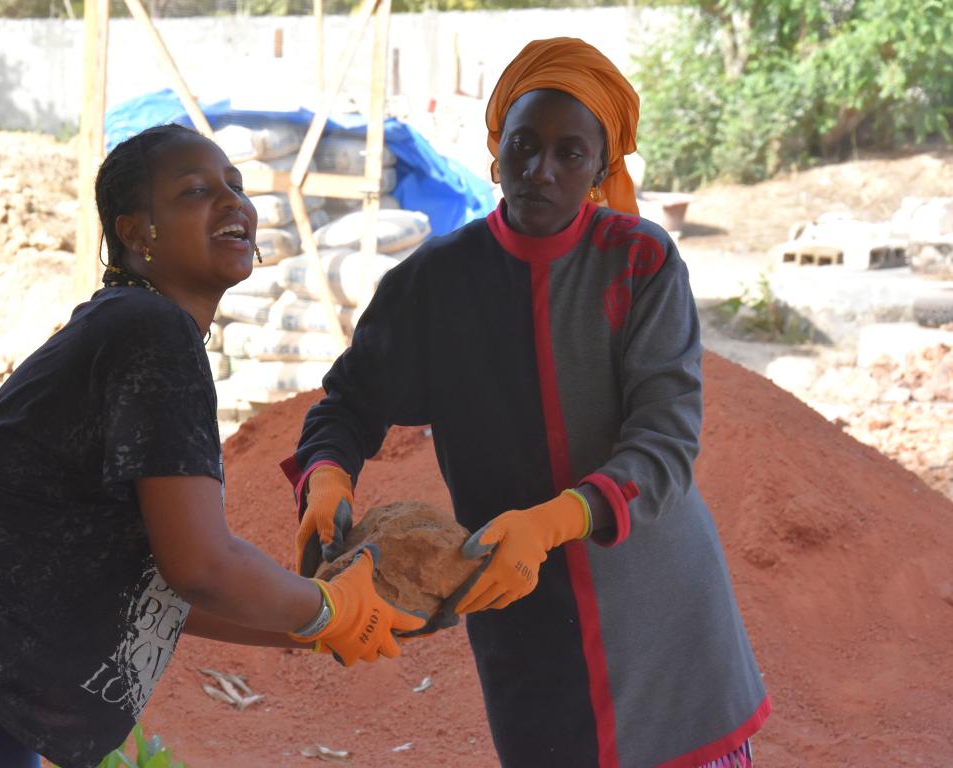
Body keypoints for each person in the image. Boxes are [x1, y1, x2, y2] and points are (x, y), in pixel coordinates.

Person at [0, 123, 424, 768]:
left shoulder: (145, 332)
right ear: (135, 232)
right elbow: (202, 567)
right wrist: (328, 609)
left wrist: (322, 628)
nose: (234, 203)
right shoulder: (149, 332)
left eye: (237, 187)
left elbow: (162, 591)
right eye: (195, 191)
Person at [284, 38, 769, 767]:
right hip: (520, 602)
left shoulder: (640, 262)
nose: (541, 170)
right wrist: (327, 476)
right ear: (495, 152)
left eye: (570, 153)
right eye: (524, 146)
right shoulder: (438, 282)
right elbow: (350, 401)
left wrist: (554, 522)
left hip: (656, 599)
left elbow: (666, 438)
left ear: (602, 169)